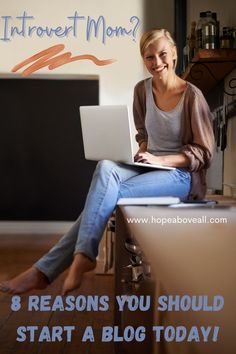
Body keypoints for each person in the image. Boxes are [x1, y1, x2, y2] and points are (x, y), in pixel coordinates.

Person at [0, 28, 214, 295]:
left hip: (180, 175)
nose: (157, 63)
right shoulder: (142, 91)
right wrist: (143, 152)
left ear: (173, 54)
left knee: (106, 196)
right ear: (143, 59)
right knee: (106, 167)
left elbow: (204, 153)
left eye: (162, 55)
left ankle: (55, 267)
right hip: (149, 166)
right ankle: (73, 261)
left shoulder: (192, 95)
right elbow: (144, 133)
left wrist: (160, 159)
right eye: (149, 57)